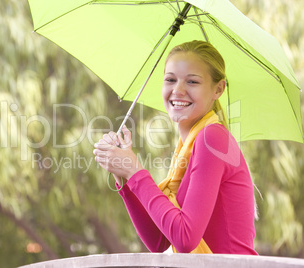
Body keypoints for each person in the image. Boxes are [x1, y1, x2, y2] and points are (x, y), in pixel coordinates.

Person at [93, 40, 258, 255]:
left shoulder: (213, 138)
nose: (178, 90)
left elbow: (185, 239)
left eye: (192, 82)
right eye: (170, 79)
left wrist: (135, 171)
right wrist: (124, 176)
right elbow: (160, 241)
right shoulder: (188, 148)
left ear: (218, 89)